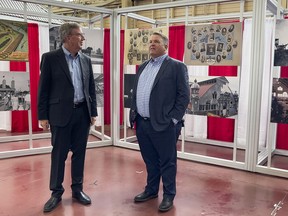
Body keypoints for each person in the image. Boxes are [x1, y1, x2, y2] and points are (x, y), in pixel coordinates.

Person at [38, 22, 97, 213]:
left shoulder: (86, 60)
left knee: (80, 153)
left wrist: (93, 112)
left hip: (82, 113)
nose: (83, 39)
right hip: (60, 114)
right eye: (80, 35)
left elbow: (91, 89)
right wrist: (43, 116)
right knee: (59, 155)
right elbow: (43, 90)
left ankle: (77, 190)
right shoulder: (50, 58)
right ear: (67, 37)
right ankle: (56, 193)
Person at [130, 32, 190, 212]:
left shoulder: (177, 67)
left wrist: (173, 119)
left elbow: (184, 95)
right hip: (142, 123)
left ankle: (169, 195)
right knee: (150, 160)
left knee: (167, 161)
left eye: (156, 41)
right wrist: (134, 115)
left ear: (166, 45)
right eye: (150, 42)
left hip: (164, 124)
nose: (152, 44)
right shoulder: (143, 66)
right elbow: (137, 92)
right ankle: (151, 190)